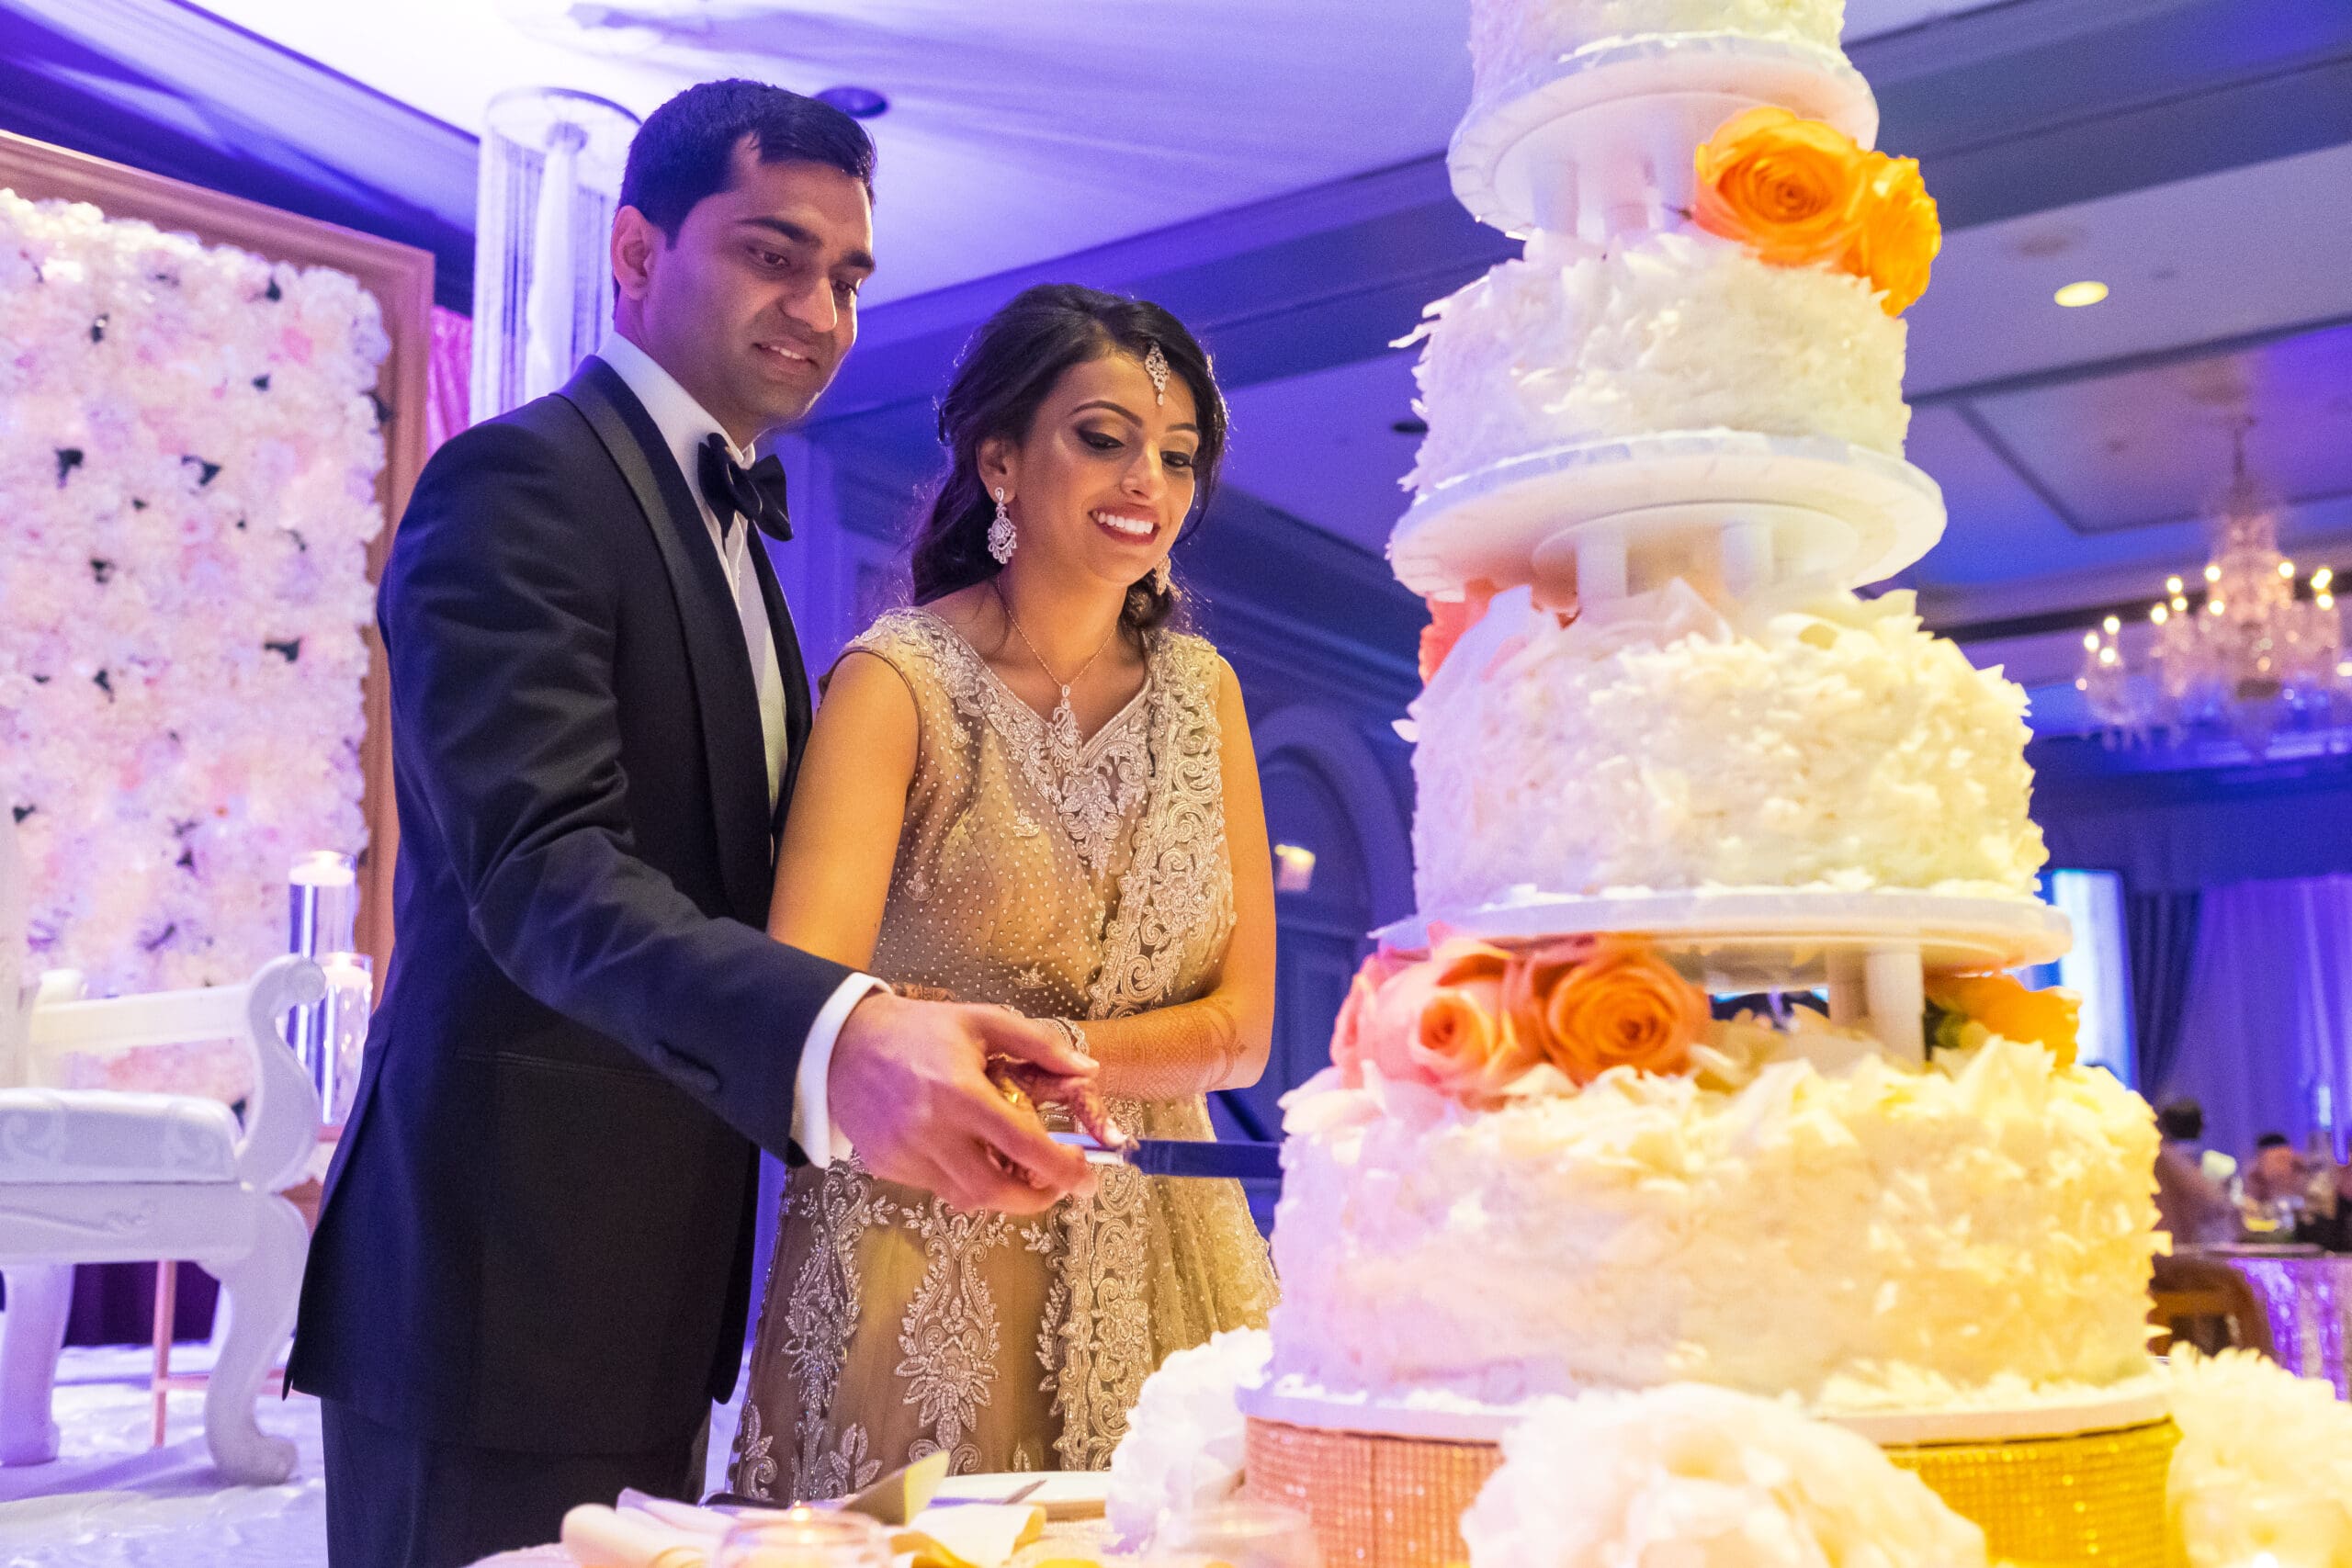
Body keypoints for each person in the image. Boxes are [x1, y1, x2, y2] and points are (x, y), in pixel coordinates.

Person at [288, 83, 1097, 1568]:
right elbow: (542, 868)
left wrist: (917, 1018)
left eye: (847, 276)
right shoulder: (519, 485)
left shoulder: (727, 534)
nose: (819, 307)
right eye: (773, 254)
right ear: (639, 252)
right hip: (493, 1270)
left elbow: (739, 895)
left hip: (655, 1273)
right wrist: (845, 1032)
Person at [729, 285, 1280, 1497]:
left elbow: (1241, 1034)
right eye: (1103, 436)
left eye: (1177, 456)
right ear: (999, 460)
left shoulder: (1206, 692)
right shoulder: (899, 680)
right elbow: (803, 990)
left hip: (1169, 1255)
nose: (1147, 476)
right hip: (925, 1256)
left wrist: (1042, 1049)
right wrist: (1049, 1056)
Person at [2152, 1099, 2236, 1249]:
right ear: (2203, 1126)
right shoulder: (2221, 1166)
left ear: (2163, 1128)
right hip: (2212, 1255)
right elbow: (2231, 1217)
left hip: (2166, 1252)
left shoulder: (2152, 1163)